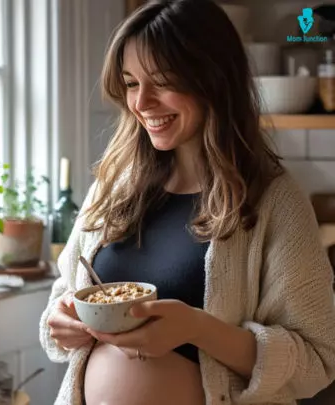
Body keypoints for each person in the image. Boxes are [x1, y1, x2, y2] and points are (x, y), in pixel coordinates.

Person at [39, 0, 335, 404]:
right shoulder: (113, 186)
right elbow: (64, 294)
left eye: (162, 81)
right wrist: (59, 321)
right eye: (130, 83)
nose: (141, 103)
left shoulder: (274, 201)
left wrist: (197, 328)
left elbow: (318, 359)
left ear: (213, 80)